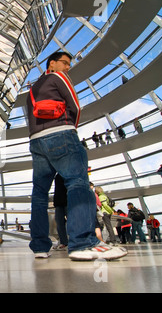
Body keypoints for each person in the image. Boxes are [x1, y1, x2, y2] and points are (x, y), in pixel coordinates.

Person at [25, 51, 126, 261]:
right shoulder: (58, 77)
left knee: (39, 194)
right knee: (78, 184)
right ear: (51, 64)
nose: (68, 67)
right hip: (61, 135)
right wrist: (71, 128)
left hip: (37, 142)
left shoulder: (31, 90)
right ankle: (83, 242)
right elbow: (75, 106)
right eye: (65, 63)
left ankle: (40, 247)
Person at [52, 174, 68, 251]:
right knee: (59, 223)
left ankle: (65, 241)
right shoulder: (58, 176)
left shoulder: (67, 174)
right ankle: (63, 241)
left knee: (63, 222)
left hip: (66, 201)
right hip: (59, 202)